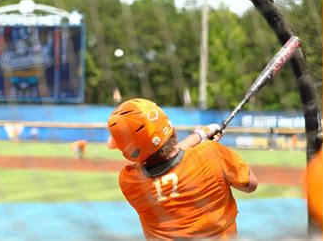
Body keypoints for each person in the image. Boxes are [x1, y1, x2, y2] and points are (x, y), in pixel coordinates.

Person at [107, 98, 258, 239]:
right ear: (170, 127)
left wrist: (198, 138)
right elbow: (251, 185)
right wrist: (204, 141)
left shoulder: (130, 182)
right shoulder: (212, 153)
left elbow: (164, 159)